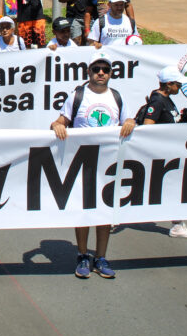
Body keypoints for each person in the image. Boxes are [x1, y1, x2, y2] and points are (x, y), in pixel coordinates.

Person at [50, 51, 134, 279]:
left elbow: (127, 119)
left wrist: (130, 122)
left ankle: (101, 257)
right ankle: (82, 255)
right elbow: (60, 121)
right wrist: (57, 126)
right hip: (82, 162)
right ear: (89, 72)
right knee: (84, 210)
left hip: (108, 164)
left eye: (105, 70)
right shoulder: (77, 96)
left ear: (110, 73)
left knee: (104, 212)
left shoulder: (117, 97)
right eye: (96, 69)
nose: (101, 73)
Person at [135, 66, 187, 239]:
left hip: (168, 153)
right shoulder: (158, 101)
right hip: (160, 155)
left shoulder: (166, 99)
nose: (180, 87)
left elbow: (168, 123)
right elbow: (148, 127)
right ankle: (177, 225)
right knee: (171, 189)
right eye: (178, 84)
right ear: (169, 84)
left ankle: (177, 224)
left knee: (170, 188)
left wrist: (185, 120)